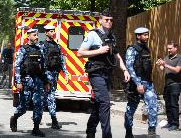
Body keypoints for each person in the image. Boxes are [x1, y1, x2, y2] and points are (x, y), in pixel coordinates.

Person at [77, 9, 130, 138]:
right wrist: (99, 51)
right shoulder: (92, 35)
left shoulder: (112, 37)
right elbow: (80, 53)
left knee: (98, 104)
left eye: (111, 20)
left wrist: (125, 70)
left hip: (107, 74)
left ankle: (90, 131)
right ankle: (107, 135)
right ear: (100, 20)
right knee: (105, 103)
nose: (109, 22)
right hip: (96, 73)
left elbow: (117, 56)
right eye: (106, 19)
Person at [10, 29, 50, 137]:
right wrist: (18, 82)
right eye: (34, 35)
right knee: (24, 106)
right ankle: (14, 117)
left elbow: (43, 67)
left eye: (37, 35)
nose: (37, 37)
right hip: (26, 81)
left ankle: (36, 128)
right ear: (28, 36)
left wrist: (46, 82)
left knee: (39, 105)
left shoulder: (40, 49)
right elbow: (17, 66)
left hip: (38, 81)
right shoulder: (23, 49)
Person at [124, 27, 158, 137]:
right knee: (131, 108)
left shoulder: (146, 49)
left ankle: (152, 130)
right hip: (135, 83)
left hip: (148, 82)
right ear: (138, 36)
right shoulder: (132, 49)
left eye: (147, 34)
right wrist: (138, 83)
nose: (147, 37)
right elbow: (129, 67)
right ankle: (128, 131)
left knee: (153, 105)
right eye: (144, 35)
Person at [41, 25, 67, 129]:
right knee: (50, 96)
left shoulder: (57, 46)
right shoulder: (42, 46)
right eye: (51, 31)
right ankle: (54, 120)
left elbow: (61, 60)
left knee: (45, 97)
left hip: (55, 74)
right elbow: (41, 62)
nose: (53, 33)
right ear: (46, 33)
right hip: (46, 74)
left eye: (53, 31)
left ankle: (37, 116)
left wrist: (66, 73)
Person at [156, 41, 181, 131]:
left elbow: (177, 70)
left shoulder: (179, 58)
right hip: (167, 84)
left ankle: (175, 124)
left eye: (170, 48)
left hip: (176, 84)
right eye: (168, 48)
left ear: (175, 48)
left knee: (174, 104)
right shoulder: (167, 57)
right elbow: (162, 70)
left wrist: (165, 64)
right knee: (168, 104)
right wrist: (159, 66)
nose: (169, 50)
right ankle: (170, 122)